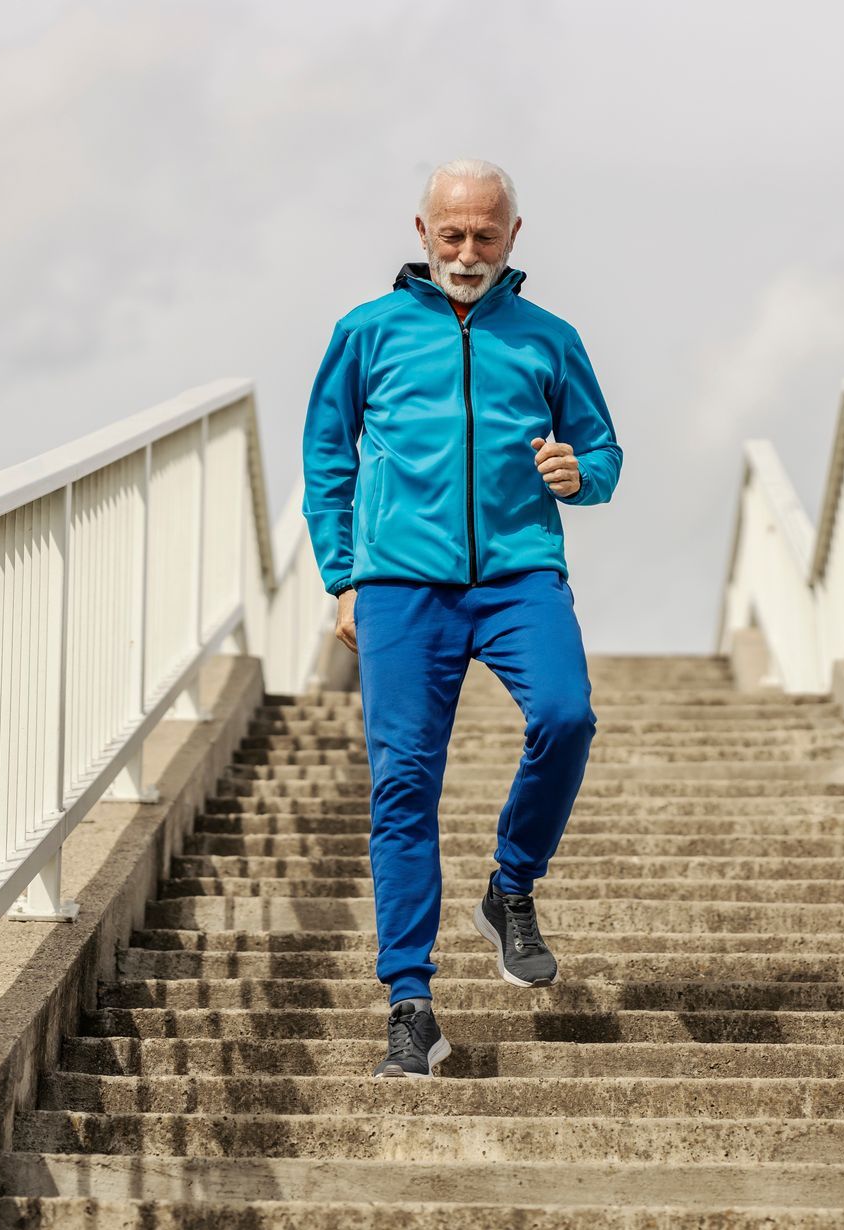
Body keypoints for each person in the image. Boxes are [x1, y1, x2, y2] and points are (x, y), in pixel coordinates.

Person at [299, 157, 624, 1079]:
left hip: (521, 573)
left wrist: (581, 475)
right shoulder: (366, 333)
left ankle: (509, 887)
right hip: (401, 583)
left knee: (566, 715)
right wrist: (343, 576)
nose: (469, 252)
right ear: (421, 232)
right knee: (405, 787)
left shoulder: (550, 339)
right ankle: (409, 1007)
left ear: (514, 236)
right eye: (453, 235)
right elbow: (328, 453)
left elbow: (601, 449)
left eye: (487, 235)